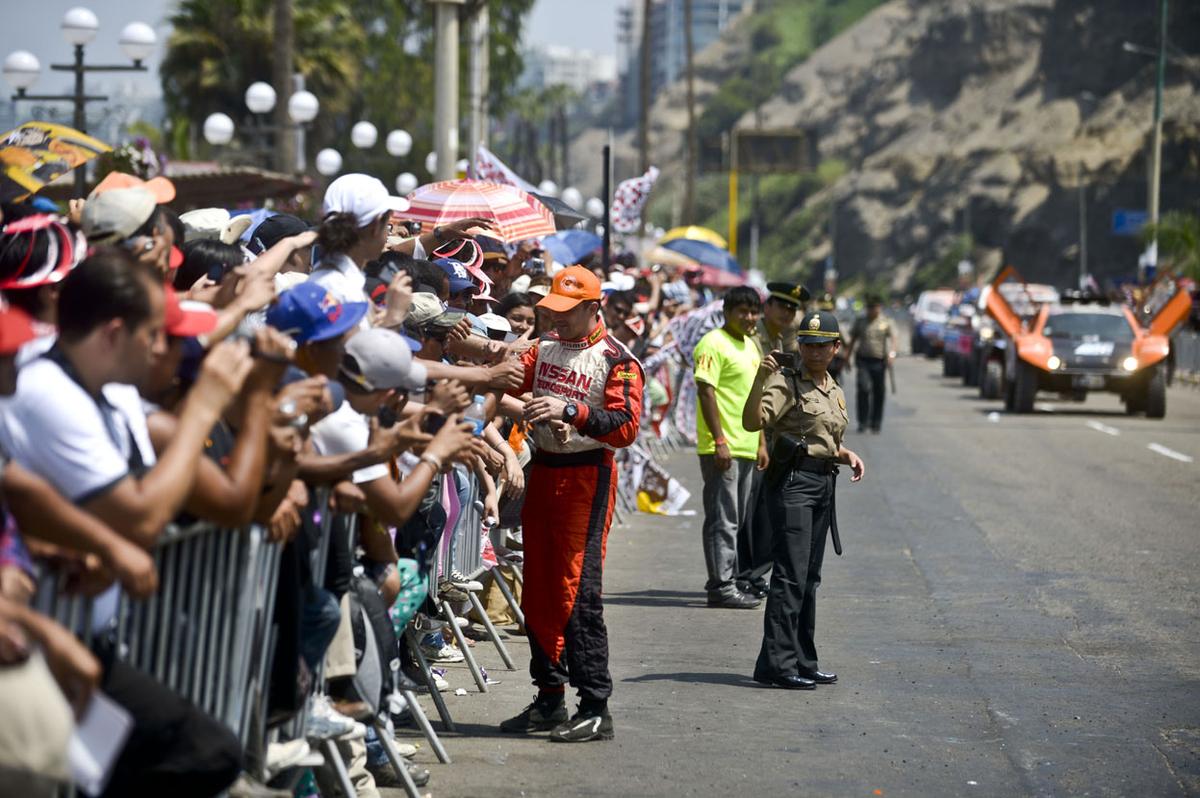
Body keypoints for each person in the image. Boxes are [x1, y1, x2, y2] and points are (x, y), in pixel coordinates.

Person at [499, 266, 643, 743]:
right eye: (551, 312)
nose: (555, 321)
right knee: (537, 589)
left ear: (592, 308)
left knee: (577, 593)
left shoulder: (617, 360)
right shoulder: (541, 349)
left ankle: (595, 704)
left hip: (587, 480)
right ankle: (549, 699)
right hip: (543, 471)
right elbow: (500, 384)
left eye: (565, 313)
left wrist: (573, 413)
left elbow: (624, 427)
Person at [742, 310, 865, 690]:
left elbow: (824, 437)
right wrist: (761, 378)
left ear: (836, 347)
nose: (813, 352)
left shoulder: (834, 387)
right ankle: (778, 666)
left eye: (821, 345)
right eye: (807, 344)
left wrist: (846, 454)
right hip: (793, 485)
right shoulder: (784, 381)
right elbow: (751, 422)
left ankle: (801, 659)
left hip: (822, 483)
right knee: (790, 575)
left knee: (809, 578)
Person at [692, 286, 765, 610]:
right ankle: (720, 586)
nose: (750, 318)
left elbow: (756, 395)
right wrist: (719, 440)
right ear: (727, 312)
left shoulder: (751, 345)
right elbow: (706, 391)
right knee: (723, 519)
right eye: (743, 312)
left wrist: (761, 441)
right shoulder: (713, 343)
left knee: (736, 518)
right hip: (722, 447)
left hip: (748, 445)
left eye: (753, 312)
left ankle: (730, 580)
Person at [738, 281, 809, 599]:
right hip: (752, 429)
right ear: (767, 307)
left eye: (792, 309)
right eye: (782, 306)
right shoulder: (752, 338)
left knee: (766, 506)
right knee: (749, 507)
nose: (787, 313)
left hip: (774, 429)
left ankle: (755, 571)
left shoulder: (781, 338)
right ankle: (744, 572)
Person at [844, 294, 896, 433]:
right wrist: (846, 358)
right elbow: (852, 340)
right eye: (869, 307)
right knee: (863, 388)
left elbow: (894, 339)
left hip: (879, 361)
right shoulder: (861, 321)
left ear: (879, 307)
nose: (871, 310)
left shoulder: (886, 322)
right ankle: (863, 421)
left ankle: (876, 422)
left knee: (879, 391)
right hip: (863, 360)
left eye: (874, 307)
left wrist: (892, 354)